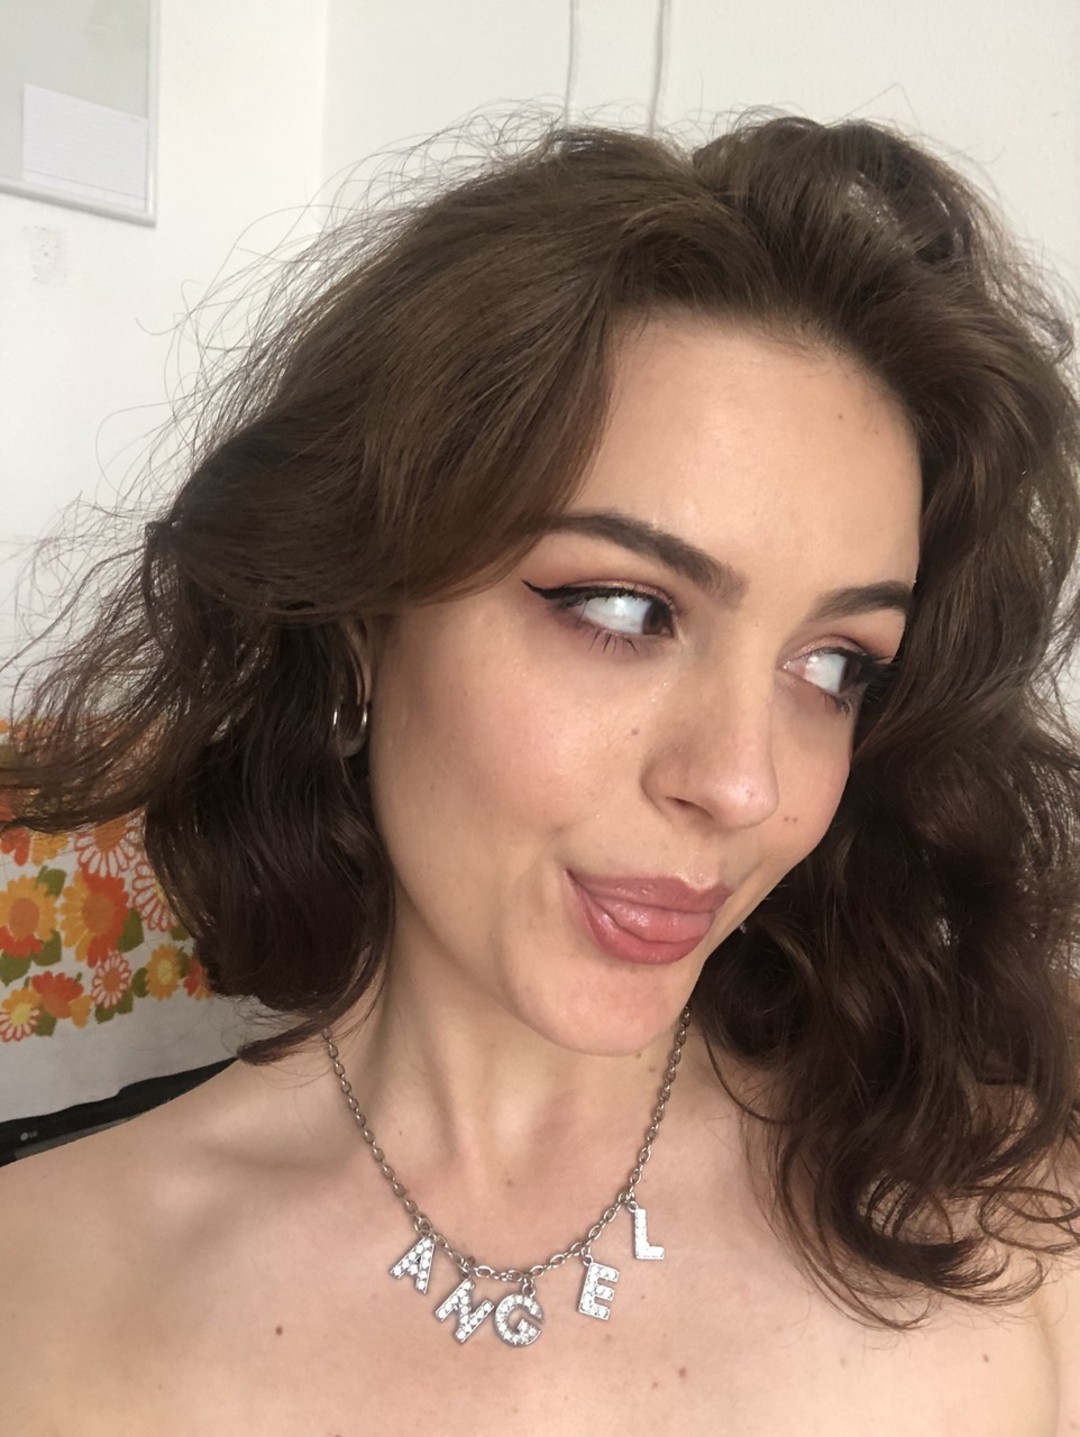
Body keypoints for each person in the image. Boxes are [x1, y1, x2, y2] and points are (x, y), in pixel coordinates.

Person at [1, 113, 1078, 1434]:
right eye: (622, 609)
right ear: (363, 619)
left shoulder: (1018, 1239)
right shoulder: (38, 1290)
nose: (741, 785)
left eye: (835, 665)